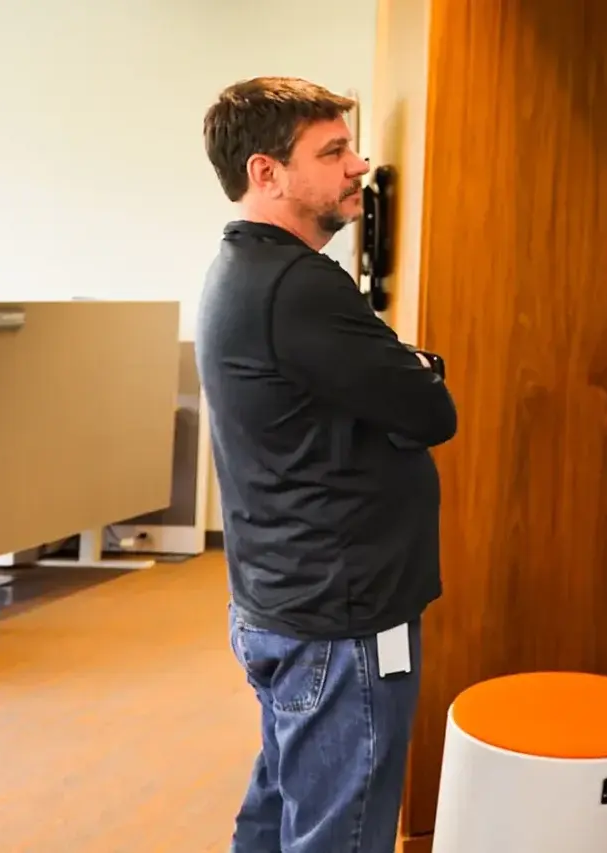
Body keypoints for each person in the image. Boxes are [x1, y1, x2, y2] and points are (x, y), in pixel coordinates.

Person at [195, 77, 457, 853]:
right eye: (334, 151)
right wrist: (412, 374)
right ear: (266, 174)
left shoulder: (243, 269)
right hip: (341, 619)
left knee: (282, 813)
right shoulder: (299, 286)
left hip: (290, 598)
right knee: (341, 832)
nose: (360, 164)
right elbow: (430, 410)